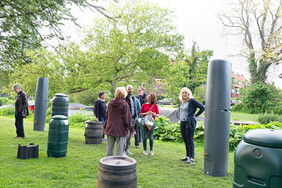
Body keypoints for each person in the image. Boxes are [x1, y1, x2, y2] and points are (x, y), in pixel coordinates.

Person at [102, 87, 136, 156]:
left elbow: (107, 116)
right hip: (120, 130)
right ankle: (118, 165)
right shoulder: (124, 104)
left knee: (109, 150)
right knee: (120, 152)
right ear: (124, 94)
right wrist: (132, 129)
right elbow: (127, 119)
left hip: (110, 128)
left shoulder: (111, 103)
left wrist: (105, 126)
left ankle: (108, 165)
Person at [176, 87, 205, 164]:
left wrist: (195, 115)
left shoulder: (192, 101)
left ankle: (191, 158)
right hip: (182, 122)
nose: (184, 94)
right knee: (185, 140)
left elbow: (202, 107)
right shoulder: (182, 102)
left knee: (190, 140)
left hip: (190, 123)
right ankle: (187, 156)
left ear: (189, 94)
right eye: (183, 93)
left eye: (186, 93)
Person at [125, 85, 141, 154]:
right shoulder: (124, 99)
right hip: (126, 119)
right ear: (126, 90)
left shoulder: (135, 99)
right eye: (129, 89)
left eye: (131, 89)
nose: (130, 90)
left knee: (131, 134)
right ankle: (123, 148)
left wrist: (137, 117)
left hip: (133, 119)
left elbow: (138, 109)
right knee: (126, 134)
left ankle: (126, 149)